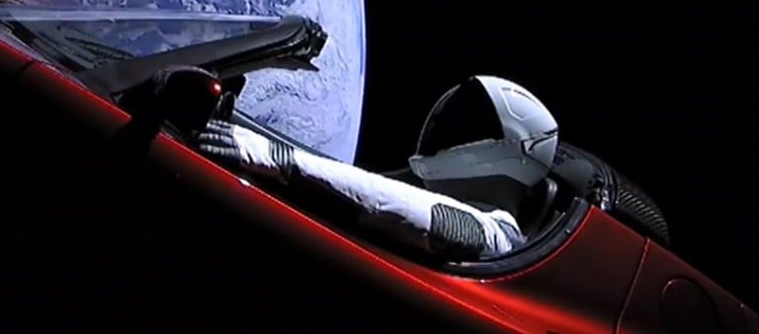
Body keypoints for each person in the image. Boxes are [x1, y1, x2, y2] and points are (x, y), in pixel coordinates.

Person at [195, 75, 559, 259]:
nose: (447, 134)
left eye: (468, 127)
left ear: (510, 153)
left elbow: (416, 212)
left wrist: (281, 159)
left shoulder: (500, 239)